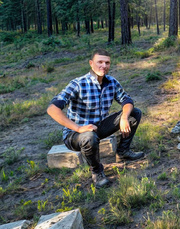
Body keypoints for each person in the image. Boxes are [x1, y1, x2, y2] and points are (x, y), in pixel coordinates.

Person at [47, 48, 145, 188]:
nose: (103, 66)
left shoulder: (111, 82)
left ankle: (123, 152)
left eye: (107, 63)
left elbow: (127, 100)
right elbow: (52, 109)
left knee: (134, 113)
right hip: (76, 135)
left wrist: (124, 117)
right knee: (89, 137)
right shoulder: (78, 84)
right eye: (100, 62)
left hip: (98, 127)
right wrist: (78, 128)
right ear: (91, 63)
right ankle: (97, 171)